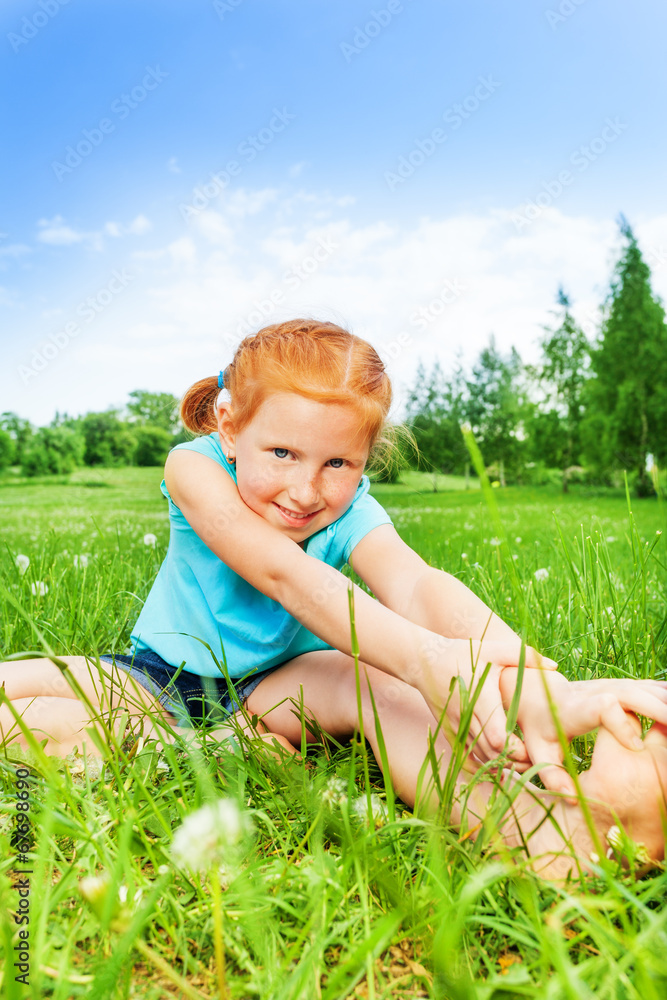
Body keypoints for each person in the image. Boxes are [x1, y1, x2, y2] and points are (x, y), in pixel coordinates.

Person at [2, 318, 667, 879]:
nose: (305, 490)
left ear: (365, 458)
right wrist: (428, 660)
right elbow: (284, 575)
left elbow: (415, 584)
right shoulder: (194, 467)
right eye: (283, 453)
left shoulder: (350, 511)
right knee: (22, 698)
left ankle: (539, 832)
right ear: (230, 427)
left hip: (280, 684)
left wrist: (528, 679)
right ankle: (200, 747)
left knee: (371, 681)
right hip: (156, 676)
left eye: (337, 464)